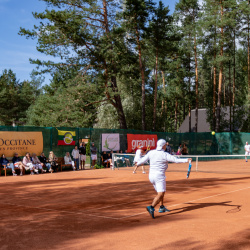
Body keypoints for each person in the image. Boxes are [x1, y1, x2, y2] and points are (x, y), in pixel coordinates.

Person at [135, 139, 191, 219]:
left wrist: (137, 163)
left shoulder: (151, 152)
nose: (166, 146)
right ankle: (151, 207)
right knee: (160, 193)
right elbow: (176, 160)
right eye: (165, 145)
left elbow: (141, 161)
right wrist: (187, 160)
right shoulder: (165, 154)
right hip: (159, 176)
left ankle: (161, 207)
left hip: (151, 176)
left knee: (161, 192)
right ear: (163, 146)